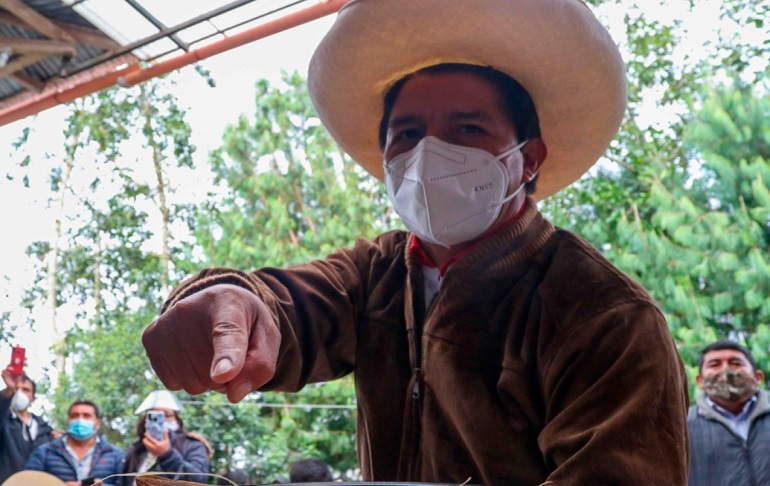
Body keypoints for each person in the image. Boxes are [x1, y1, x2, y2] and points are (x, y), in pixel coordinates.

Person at [141, 0, 690, 483]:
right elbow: (289, 307)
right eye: (406, 135)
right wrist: (227, 300)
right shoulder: (378, 273)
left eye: (467, 129)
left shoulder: (605, 316)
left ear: (527, 160)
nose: (429, 154)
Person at [688, 340, 770, 485]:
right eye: (715, 364)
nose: (725, 370)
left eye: (736, 363)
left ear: (758, 377)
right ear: (700, 381)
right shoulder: (683, 426)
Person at [119, 390, 211, 485]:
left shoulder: (192, 445)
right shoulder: (137, 449)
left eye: (166, 415)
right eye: (154, 416)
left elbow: (199, 480)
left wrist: (167, 455)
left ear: (177, 419)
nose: (162, 420)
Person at [25, 400, 123, 485]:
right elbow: (26, 482)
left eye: (86, 416)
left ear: (97, 423)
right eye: (75, 415)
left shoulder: (115, 454)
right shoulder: (45, 452)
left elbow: (127, 483)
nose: (80, 420)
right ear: (68, 421)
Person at [0, 367, 55, 483]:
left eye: (25, 390)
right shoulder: (4, 422)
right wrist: (8, 391)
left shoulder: (45, 429)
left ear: (33, 398)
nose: (19, 393)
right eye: (16, 388)